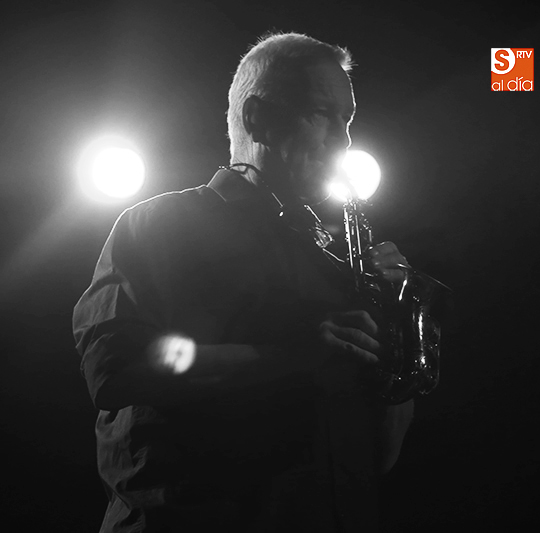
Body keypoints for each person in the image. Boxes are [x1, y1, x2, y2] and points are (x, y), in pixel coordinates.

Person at [73, 32, 416, 532]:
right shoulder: (160, 223)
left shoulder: (339, 258)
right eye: (321, 114)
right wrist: (290, 356)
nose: (343, 141)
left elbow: (378, 459)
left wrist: (400, 338)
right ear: (257, 118)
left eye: (347, 119)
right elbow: (114, 372)